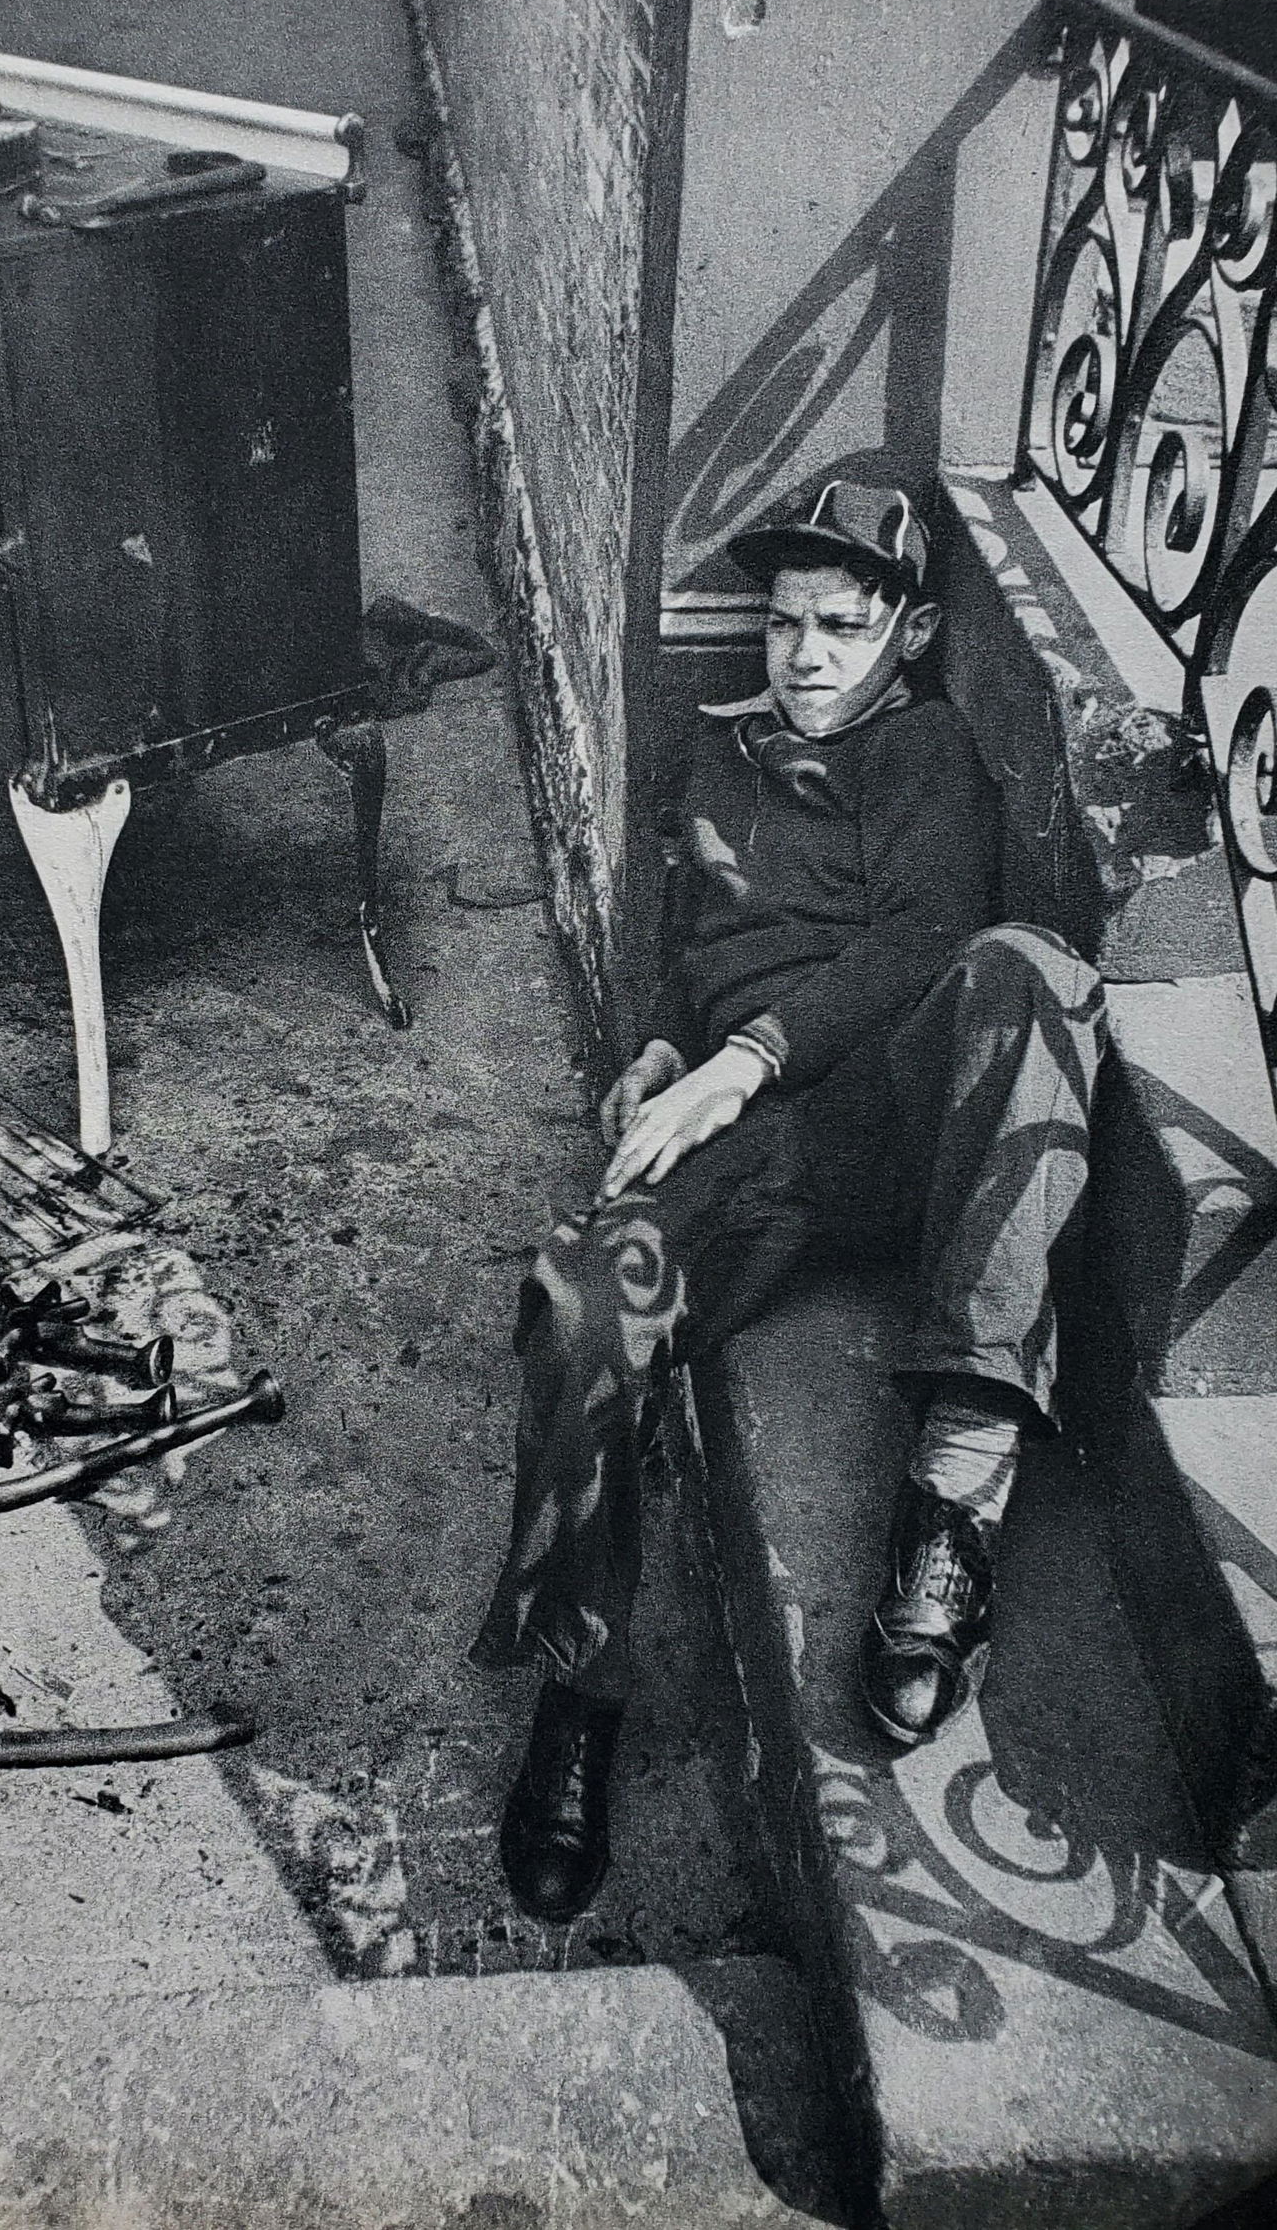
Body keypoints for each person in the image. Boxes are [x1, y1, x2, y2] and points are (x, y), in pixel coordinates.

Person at [470, 479, 1107, 1926]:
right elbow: (676, 937)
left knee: (1031, 975)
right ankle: (582, 1691)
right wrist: (657, 1041)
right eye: (782, 625)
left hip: (883, 1108)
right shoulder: (715, 756)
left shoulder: (923, 748)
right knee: (583, 1299)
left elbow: (928, 941)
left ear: (914, 630)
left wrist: (741, 1063)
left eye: (843, 625)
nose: (805, 654)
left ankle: (949, 1514)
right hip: (746, 1158)